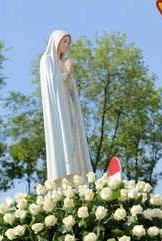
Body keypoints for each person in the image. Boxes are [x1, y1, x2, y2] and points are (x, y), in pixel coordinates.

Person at [40, 30, 92, 183]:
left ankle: (76, 175)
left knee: (73, 138)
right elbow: (52, 83)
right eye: (65, 41)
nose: (67, 45)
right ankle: (65, 174)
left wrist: (68, 77)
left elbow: (68, 87)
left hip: (67, 108)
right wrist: (65, 75)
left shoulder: (61, 63)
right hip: (58, 110)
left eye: (69, 43)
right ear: (56, 41)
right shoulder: (47, 59)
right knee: (61, 138)